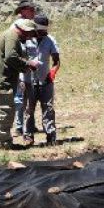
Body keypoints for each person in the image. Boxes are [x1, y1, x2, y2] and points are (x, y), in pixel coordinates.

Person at [0, 18, 40, 149]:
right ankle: (3, 144)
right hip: (1, 83)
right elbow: (10, 57)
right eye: (29, 34)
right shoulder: (12, 36)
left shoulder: (9, 35)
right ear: (24, 30)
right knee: (5, 112)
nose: (28, 38)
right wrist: (28, 64)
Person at [20, 14, 61, 146]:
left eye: (45, 30)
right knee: (28, 109)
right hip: (28, 81)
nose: (44, 33)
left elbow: (56, 61)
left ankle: (50, 136)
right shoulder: (25, 40)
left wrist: (53, 72)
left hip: (45, 81)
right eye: (41, 31)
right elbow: (18, 58)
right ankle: (28, 137)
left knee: (48, 109)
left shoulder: (50, 40)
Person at [13, 0, 36, 136]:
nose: (33, 11)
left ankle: (28, 125)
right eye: (30, 9)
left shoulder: (31, 25)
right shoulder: (17, 26)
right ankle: (19, 126)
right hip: (22, 68)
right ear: (23, 10)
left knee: (29, 99)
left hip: (31, 69)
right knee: (20, 98)